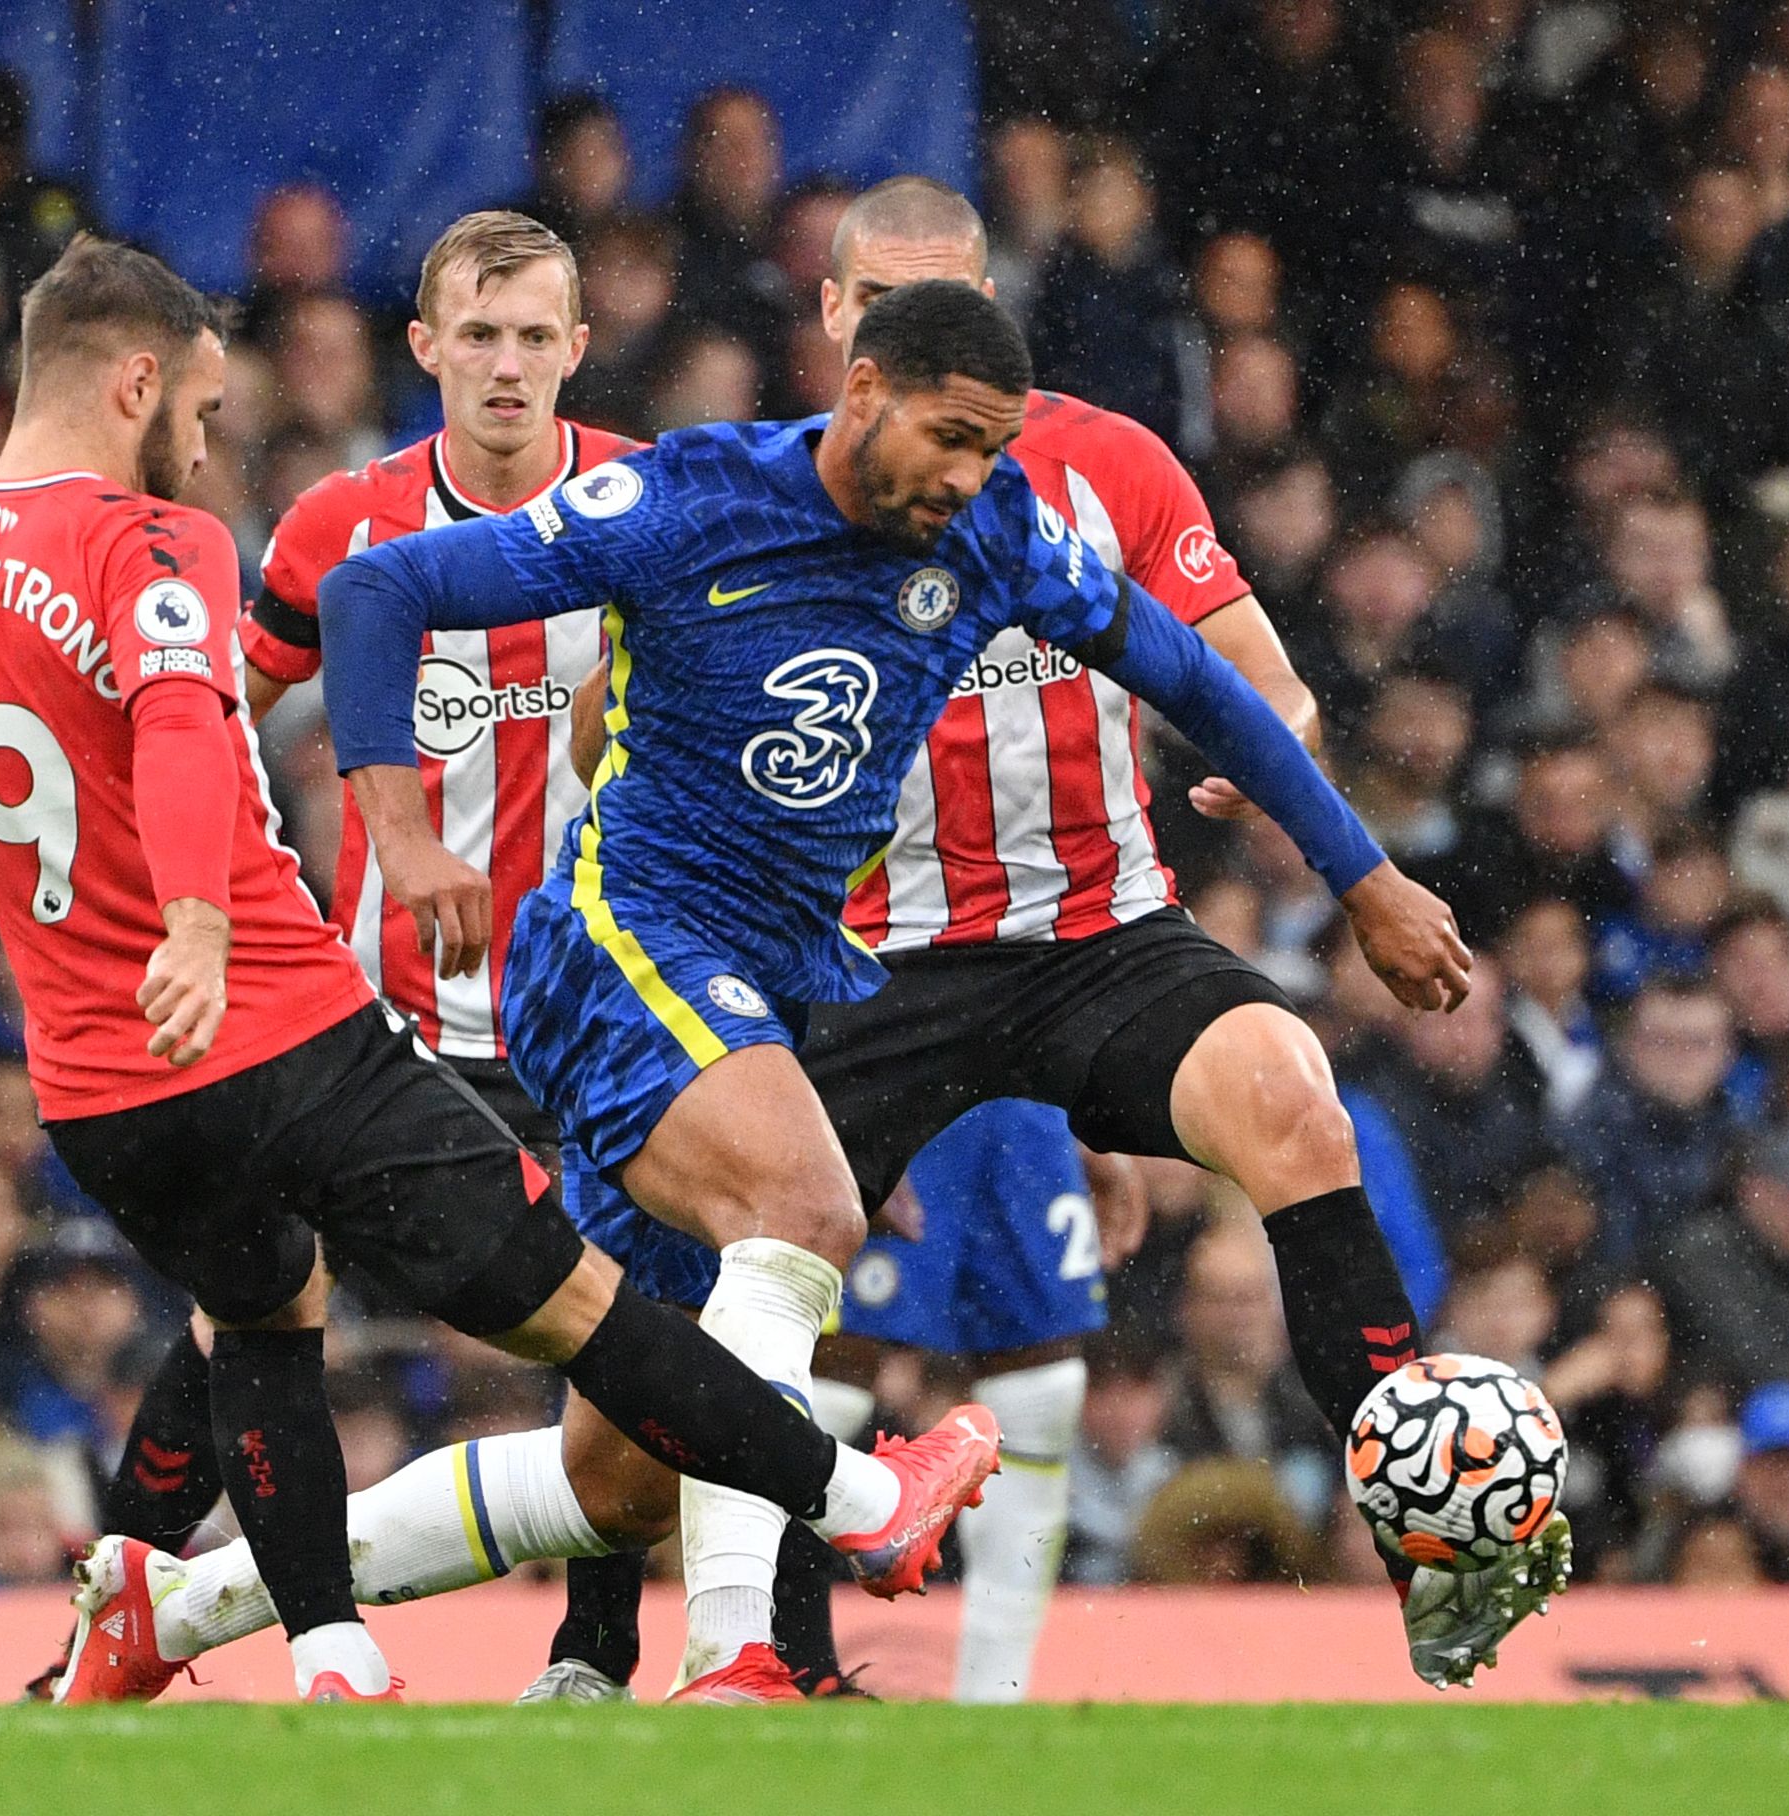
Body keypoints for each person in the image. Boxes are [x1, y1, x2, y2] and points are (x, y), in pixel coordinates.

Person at [0, 237, 997, 1707]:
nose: (204, 450)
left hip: (101, 1091)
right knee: (590, 1321)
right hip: (290, 1026)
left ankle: (289, 1647)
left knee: (257, 1326)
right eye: (198, 411)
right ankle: (863, 1501)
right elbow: (194, 724)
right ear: (134, 383)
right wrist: (198, 917)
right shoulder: (152, 540)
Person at [82, 271, 1472, 1706]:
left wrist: (1362, 877)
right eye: (948, 436)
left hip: (770, 984)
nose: (969, 477)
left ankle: (172, 1608)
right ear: (860, 388)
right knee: (804, 1207)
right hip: (619, 944)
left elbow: (1195, 673)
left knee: (616, 1478)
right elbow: (380, 589)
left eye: (992, 447)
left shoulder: (996, 534)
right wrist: (400, 827)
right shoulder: (692, 498)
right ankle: (734, 1653)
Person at [538, 171, 1323, 1707]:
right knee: (708, 1338)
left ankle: (975, 1701)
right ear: (833, 319)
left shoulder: (1076, 488)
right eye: (879, 301)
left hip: (1037, 967)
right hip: (827, 981)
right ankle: (662, 1643)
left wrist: (1289, 785)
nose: (909, 332)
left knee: (1022, 1353)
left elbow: (1245, 681)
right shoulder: (740, 499)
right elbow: (598, 739)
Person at [93, 209, 634, 1556]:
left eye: (530, 339)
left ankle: (607, 1657)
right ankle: (116, 1595)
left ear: (576, 348)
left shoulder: (648, 507)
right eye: (477, 338)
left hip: (600, 1009)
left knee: (637, 1332)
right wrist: (194, 912)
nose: (505, 367)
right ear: (425, 348)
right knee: (250, 1309)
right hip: (382, 1016)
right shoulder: (342, 523)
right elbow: (213, 716)